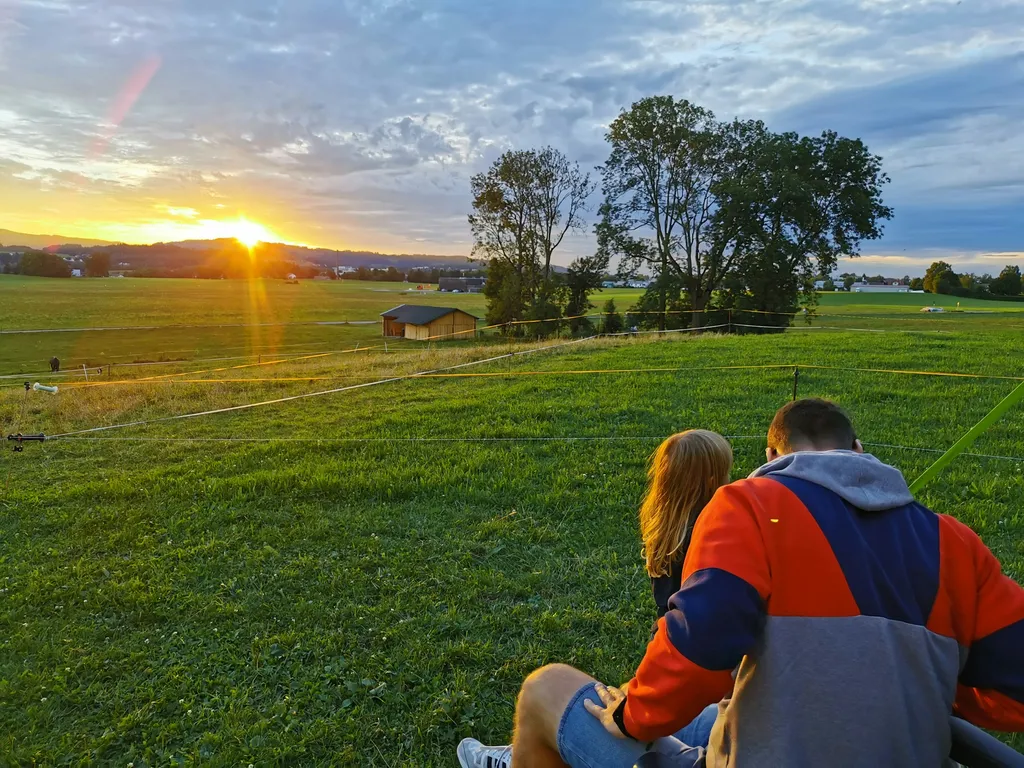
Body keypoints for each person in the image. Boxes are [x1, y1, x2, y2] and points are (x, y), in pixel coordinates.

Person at [458, 398, 1024, 768]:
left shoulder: (750, 506)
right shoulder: (954, 541)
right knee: (705, 714)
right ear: (858, 450)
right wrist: (904, 672)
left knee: (547, 688)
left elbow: (702, 644)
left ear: (771, 454)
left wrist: (633, 717)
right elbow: (1011, 693)